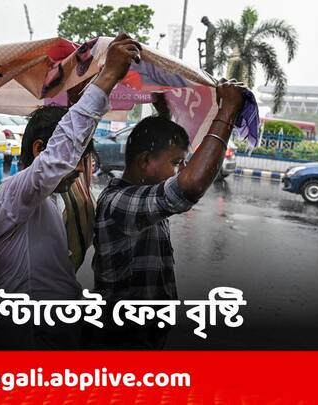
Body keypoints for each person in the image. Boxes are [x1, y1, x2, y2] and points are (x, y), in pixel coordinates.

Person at [90, 80, 246, 347]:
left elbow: (167, 163)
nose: (180, 169)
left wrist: (164, 113)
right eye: (175, 163)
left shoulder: (143, 191)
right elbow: (190, 187)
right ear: (144, 162)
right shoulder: (120, 203)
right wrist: (227, 111)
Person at [0, 34, 141, 302]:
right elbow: (57, 157)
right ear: (39, 150)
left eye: (82, 161)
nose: (80, 171)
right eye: (75, 160)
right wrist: (107, 79)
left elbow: (58, 282)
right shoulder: (11, 196)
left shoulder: (53, 200)